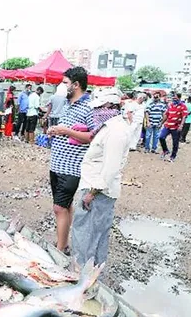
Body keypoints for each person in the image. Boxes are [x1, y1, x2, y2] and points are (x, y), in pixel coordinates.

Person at [71, 89, 131, 267]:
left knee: (87, 236)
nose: (95, 112)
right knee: (91, 235)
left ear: (110, 107)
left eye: (99, 108)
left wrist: (93, 192)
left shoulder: (116, 131)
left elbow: (111, 168)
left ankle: (82, 275)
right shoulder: (109, 127)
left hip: (97, 191)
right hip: (95, 188)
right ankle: (88, 275)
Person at [47, 66, 95, 254]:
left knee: (58, 207)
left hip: (72, 167)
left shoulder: (89, 107)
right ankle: (64, 243)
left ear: (76, 85)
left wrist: (65, 131)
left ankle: (60, 250)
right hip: (57, 164)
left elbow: (93, 136)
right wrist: (56, 131)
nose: (62, 85)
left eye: (65, 82)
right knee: (65, 206)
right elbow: (67, 129)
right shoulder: (67, 104)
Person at [159, 93, 188, 162]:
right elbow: (166, 115)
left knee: (175, 142)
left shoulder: (183, 106)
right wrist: (161, 123)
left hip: (176, 127)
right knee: (161, 137)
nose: (174, 99)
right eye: (173, 98)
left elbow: (184, 116)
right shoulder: (170, 105)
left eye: (175, 98)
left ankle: (173, 156)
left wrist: (181, 125)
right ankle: (165, 150)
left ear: (179, 98)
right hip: (168, 125)